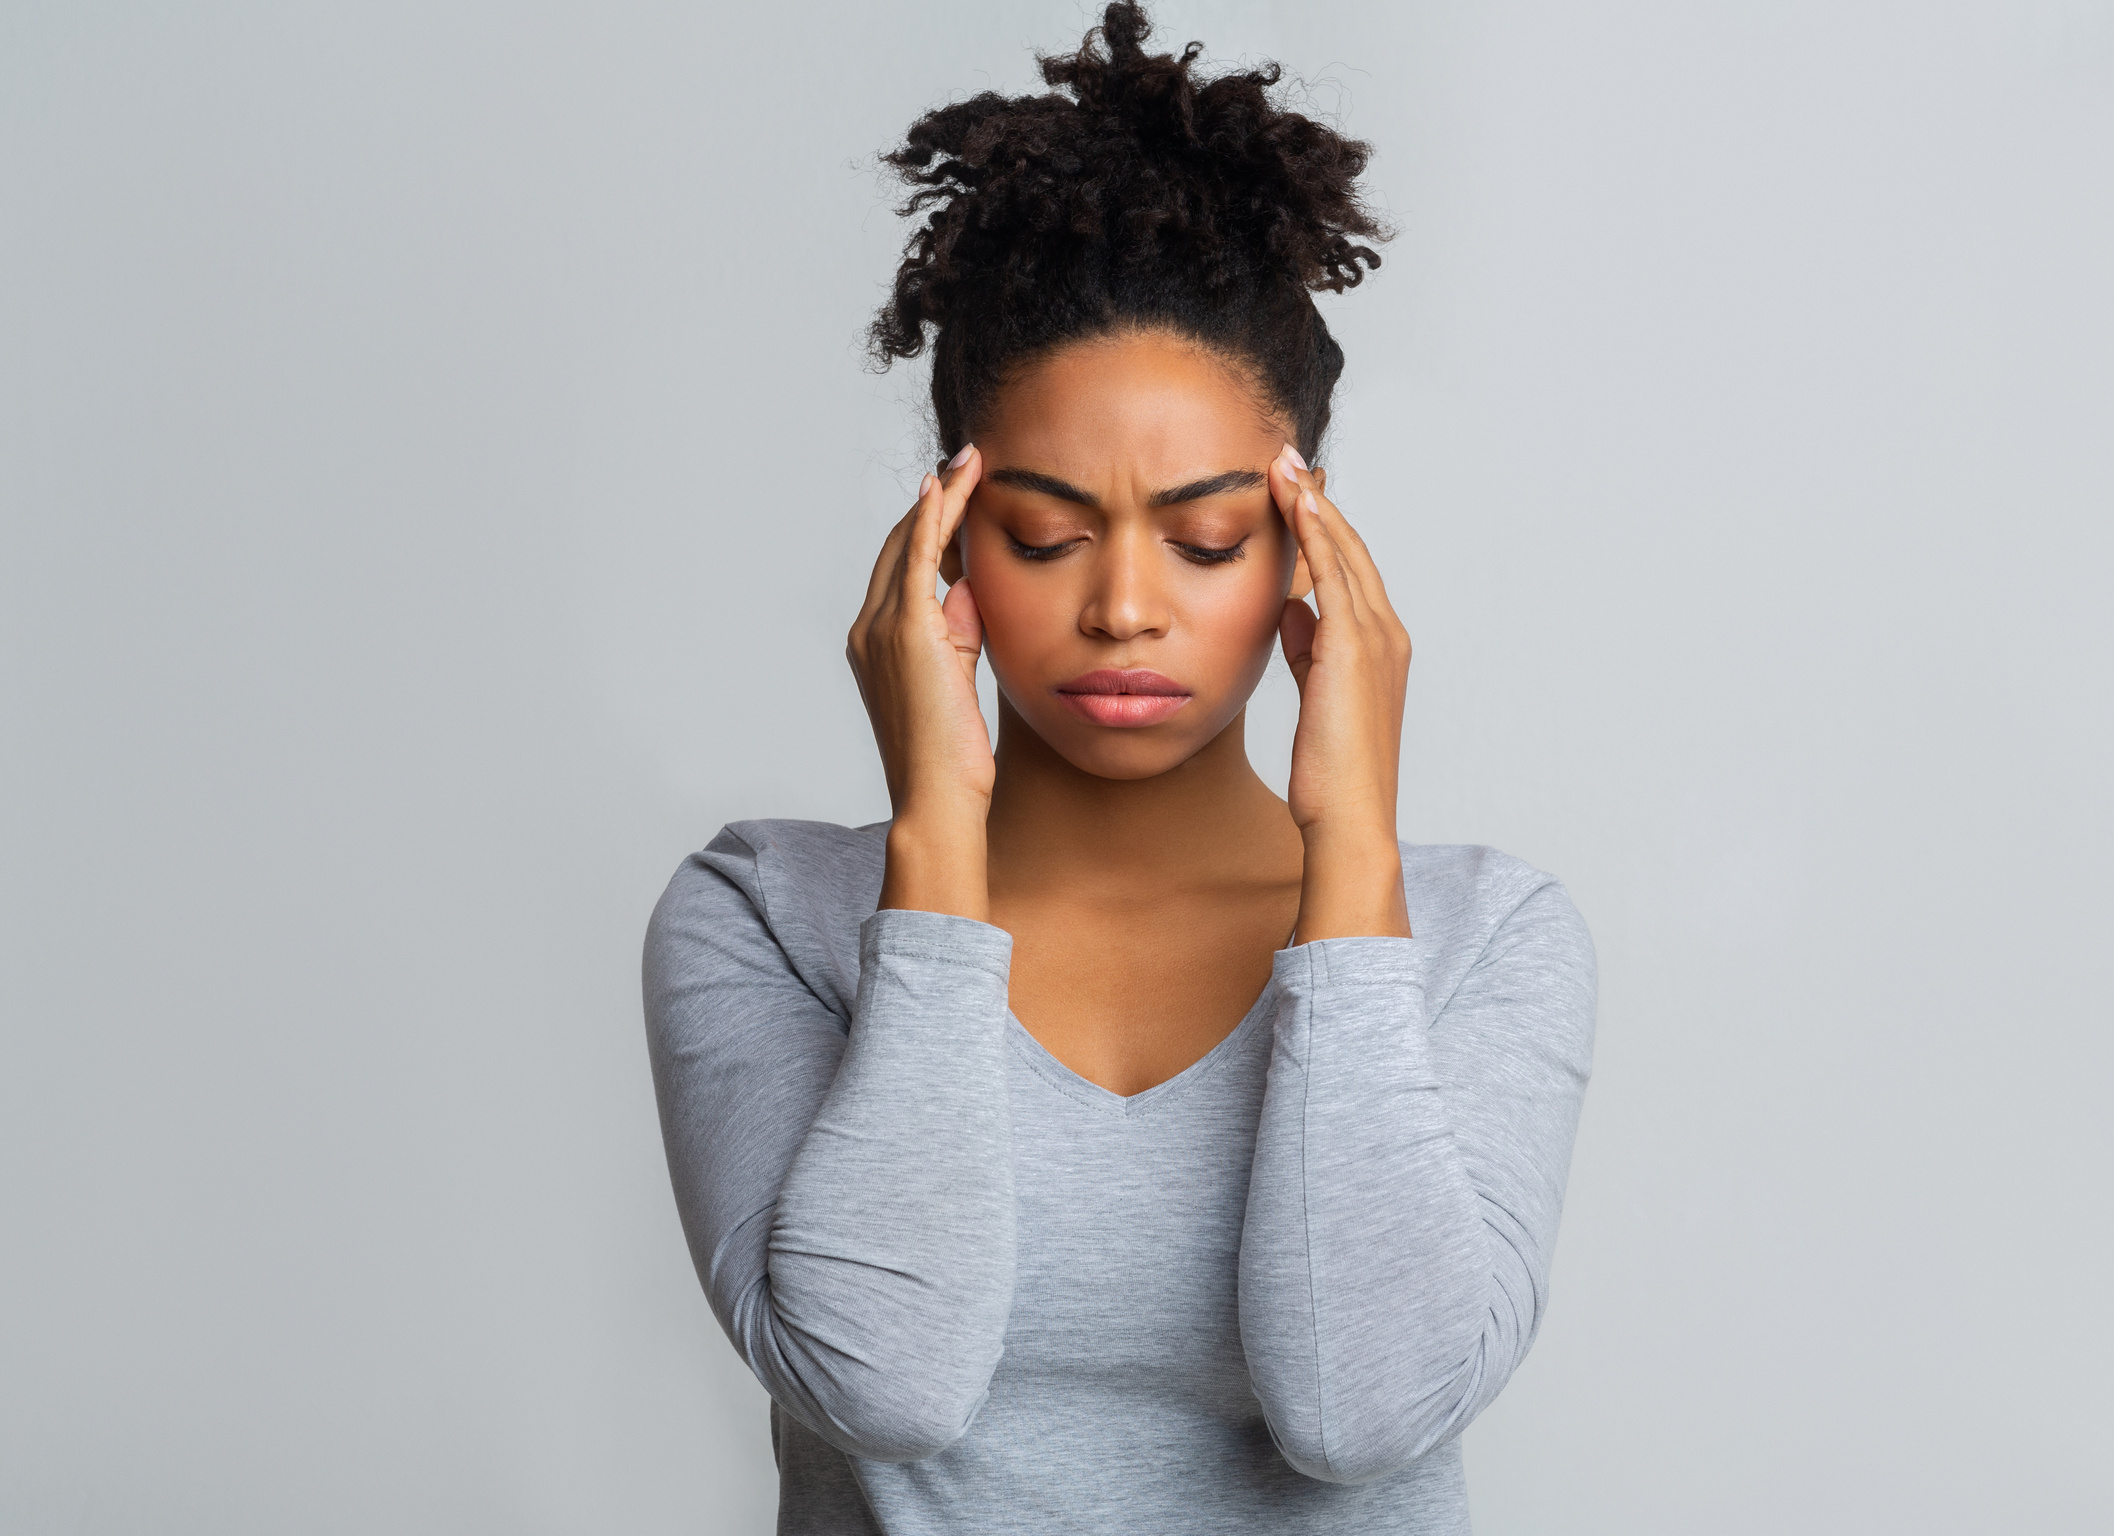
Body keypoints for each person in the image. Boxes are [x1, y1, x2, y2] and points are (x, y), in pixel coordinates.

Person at [641, 6, 1597, 1531]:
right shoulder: (766, 918)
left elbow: (1364, 1411)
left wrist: (1352, 854)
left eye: (1209, 539)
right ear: (943, 540)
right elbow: (883, 1379)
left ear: (1307, 541)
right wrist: (937, 849)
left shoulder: (1485, 943)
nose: (1128, 606)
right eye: (1045, 534)